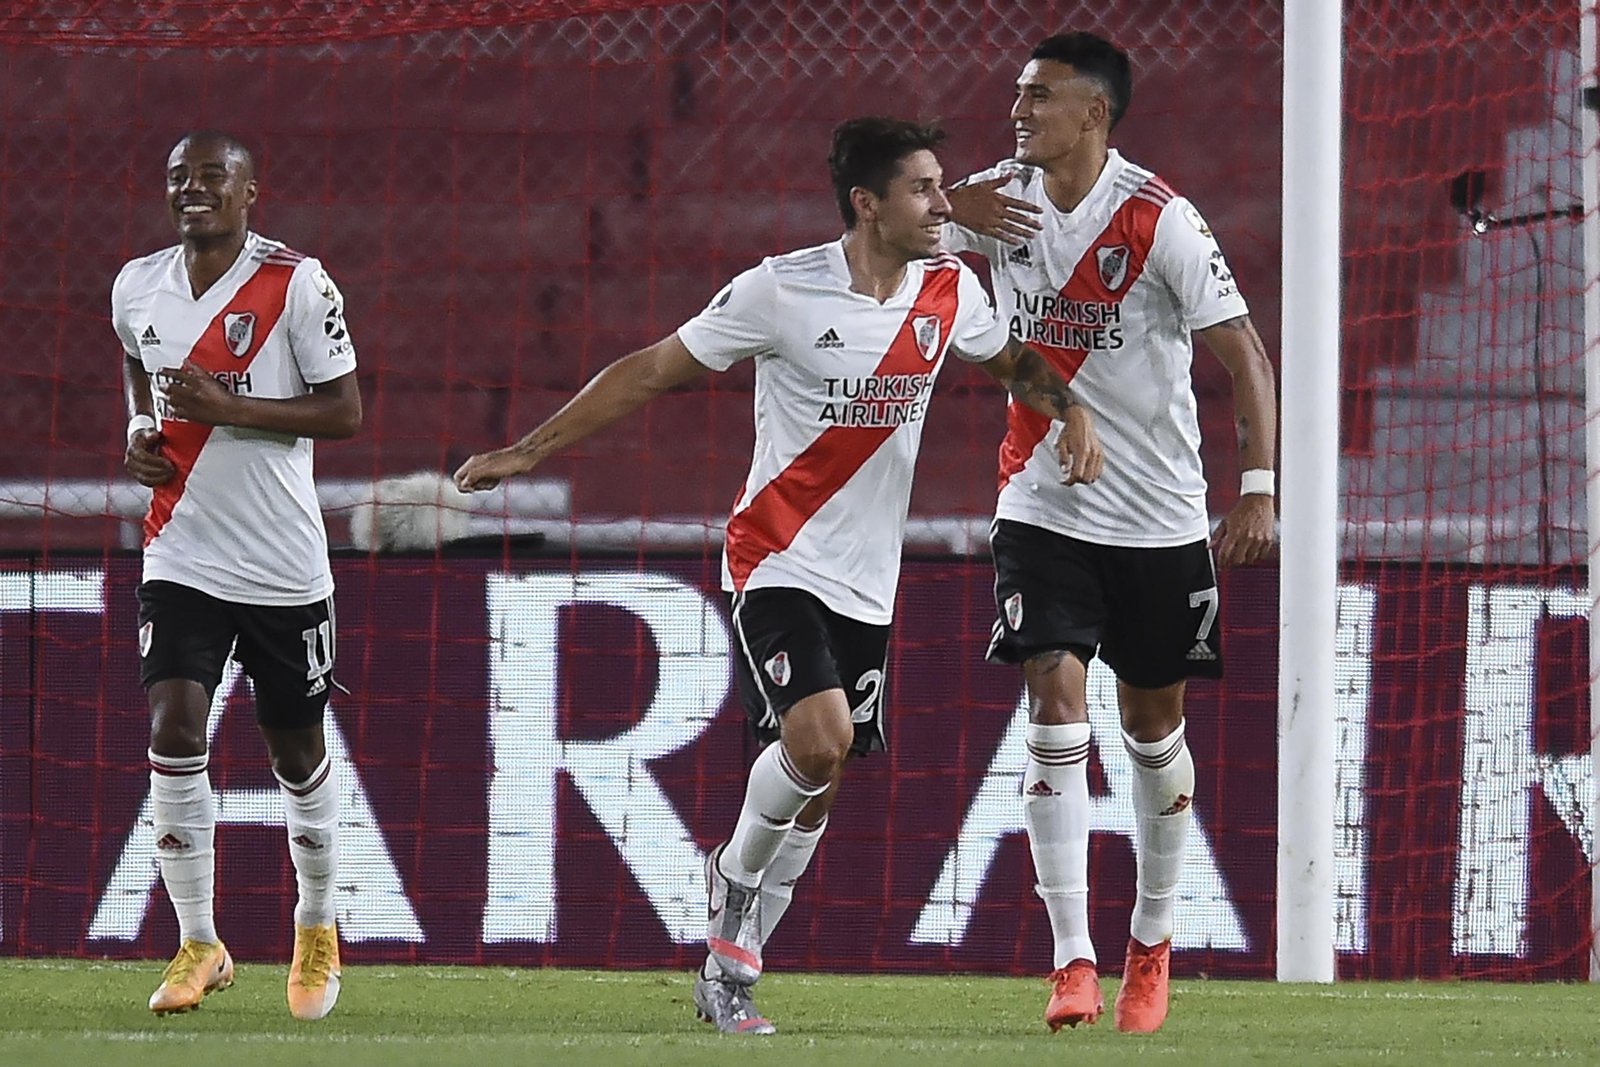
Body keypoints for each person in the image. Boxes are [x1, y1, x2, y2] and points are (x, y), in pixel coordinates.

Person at [454, 116, 1102, 1035]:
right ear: (867, 204)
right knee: (821, 739)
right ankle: (731, 896)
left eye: (942, 185)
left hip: (868, 579)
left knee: (820, 783)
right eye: (923, 189)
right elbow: (651, 370)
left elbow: (1012, 362)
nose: (943, 205)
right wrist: (528, 449)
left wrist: (1070, 409)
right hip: (775, 554)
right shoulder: (781, 289)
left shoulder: (951, 289)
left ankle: (727, 968)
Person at [944, 32, 1278, 1035]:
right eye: (1018, 94)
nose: (1018, 111)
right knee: (1053, 704)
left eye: (1039, 96)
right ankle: (1070, 958)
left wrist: (1258, 491)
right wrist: (946, 211)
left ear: (1094, 113)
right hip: (1041, 505)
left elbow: (1244, 355)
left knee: (1151, 730)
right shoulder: (994, 199)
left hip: (1158, 518)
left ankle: (1152, 938)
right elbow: (885, 233)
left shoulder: (1160, 218)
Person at [115, 131, 362, 1020]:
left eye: (212, 177)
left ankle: (316, 922)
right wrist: (138, 433)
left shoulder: (298, 283)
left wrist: (229, 406)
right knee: (174, 724)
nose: (193, 189)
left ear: (250, 191)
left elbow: (345, 410)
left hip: (282, 564)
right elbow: (138, 366)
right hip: (181, 549)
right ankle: (199, 941)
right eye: (178, 176)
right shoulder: (136, 285)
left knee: (296, 751)